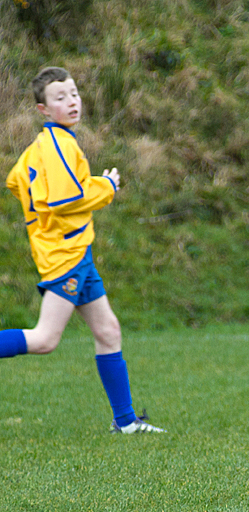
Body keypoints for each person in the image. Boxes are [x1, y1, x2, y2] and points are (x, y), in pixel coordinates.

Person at [2, 66, 164, 434]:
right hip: (66, 257)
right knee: (44, 339)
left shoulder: (42, 146)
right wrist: (105, 185)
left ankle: (125, 422)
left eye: (73, 93)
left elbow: (17, 180)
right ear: (43, 110)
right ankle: (124, 421)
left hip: (78, 254)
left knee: (108, 330)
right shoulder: (57, 143)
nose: (71, 102)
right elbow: (65, 198)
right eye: (60, 98)